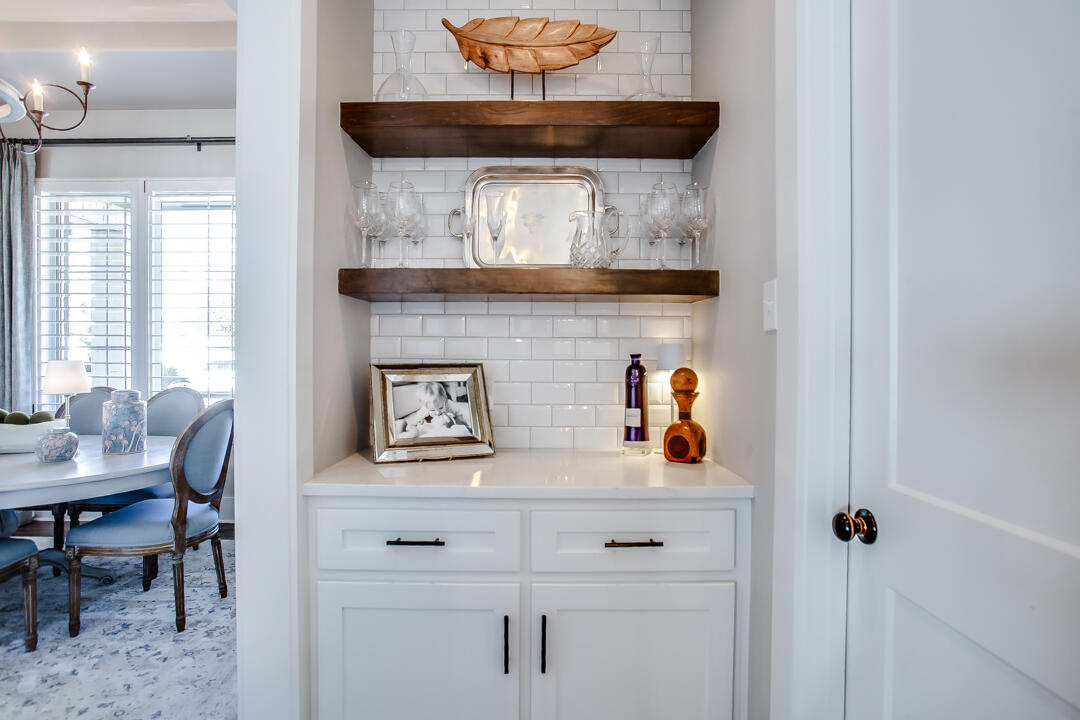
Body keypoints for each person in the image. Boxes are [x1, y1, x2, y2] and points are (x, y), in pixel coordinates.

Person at [396, 382, 473, 438]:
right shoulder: (425, 409)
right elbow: (414, 422)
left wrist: (461, 424)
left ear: (445, 399)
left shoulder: (450, 404)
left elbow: (461, 415)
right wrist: (418, 422)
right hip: (435, 423)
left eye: (440, 407)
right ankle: (401, 428)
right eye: (432, 410)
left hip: (451, 420)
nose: (438, 412)